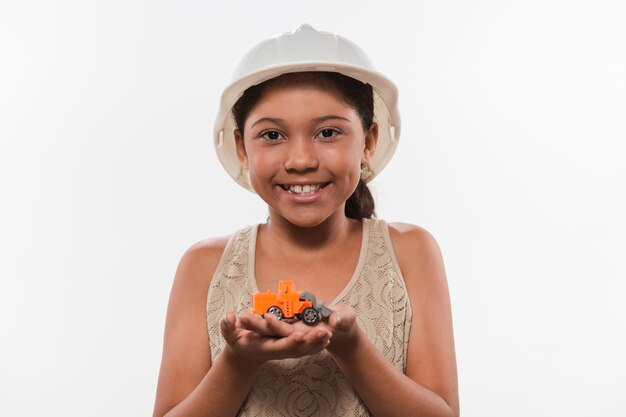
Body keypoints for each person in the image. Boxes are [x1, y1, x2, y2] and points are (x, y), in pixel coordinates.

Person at [152, 24, 459, 417]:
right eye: (272, 135)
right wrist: (238, 362)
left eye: (328, 132)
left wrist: (351, 348)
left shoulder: (411, 252)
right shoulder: (204, 266)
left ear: (368, 141)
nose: (300, 160)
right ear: (240, 148)